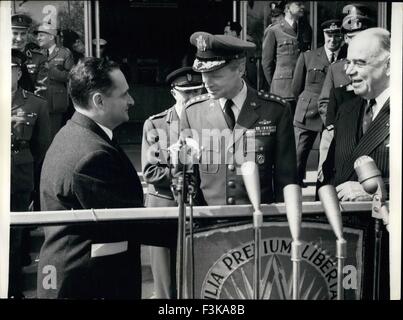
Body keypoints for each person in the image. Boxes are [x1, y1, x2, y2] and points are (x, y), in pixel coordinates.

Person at [37, 58, 144, 299]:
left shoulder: (75, 134)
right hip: (90, 284)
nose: (131, 101)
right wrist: (204, 230)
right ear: (99, 100)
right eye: (124, 94)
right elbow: (130, 220)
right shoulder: (91, 154)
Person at [180, 32, 297, 206]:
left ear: (240, 69)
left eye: (216, 76)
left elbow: (286, 178)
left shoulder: (275, 110)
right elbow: (187, 178)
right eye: (204, 75)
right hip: (209, 222)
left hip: (257, 219)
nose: (207, 83)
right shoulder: (192, 112)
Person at [142, 66, 204, 298]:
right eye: (186, 93)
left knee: (196, 278)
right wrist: (177, 164)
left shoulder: (207, 122)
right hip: (164, 206)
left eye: (197, 91)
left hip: (197, 206)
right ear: (173, 93)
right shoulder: (156, 125)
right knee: (165, 283)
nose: (192, 98)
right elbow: (150, 171)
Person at [316, 4, 375, 184]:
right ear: (346, 40)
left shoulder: (379, 67)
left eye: (359, 36)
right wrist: (334, 126)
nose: (354, 41)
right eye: (350, 37)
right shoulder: (336, 68)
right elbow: (325, 101)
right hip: (340, 136)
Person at [329, 28, 390, 200]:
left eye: (360, 63)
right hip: (344, 223)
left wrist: (377, 189)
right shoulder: (346, 110)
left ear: (389, 65)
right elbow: (330, 172)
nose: (348, 71)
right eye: (348, 62)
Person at [9, 49, 51, 298]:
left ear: (18, 72)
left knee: (15, 236)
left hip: (19, 176)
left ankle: (14, 288)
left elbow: (42, 146)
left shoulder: (36, 103)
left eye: (11, 69)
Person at [292, 19, 345, 186]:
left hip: (334, 114)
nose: (333, 39)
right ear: (324, 35)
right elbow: (295, 88)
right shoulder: (308, 57)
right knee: (299, 154)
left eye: (337, 35)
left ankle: (324, 188)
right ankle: (293, 186)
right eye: (329, 35)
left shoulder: (347, 58)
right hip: (308, 113)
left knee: (329, 155)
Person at [261, 1, 312, 114]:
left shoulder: (306, 29)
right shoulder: (274, 30)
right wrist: (275, 84)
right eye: (298, 4)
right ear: (287, 8)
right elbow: (266, 63)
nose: (302, 6)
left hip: (303, 90)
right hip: (282, 91)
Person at [34, 23, 74, 140]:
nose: (38, 38)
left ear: (51, 37)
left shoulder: (64, 53)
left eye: (41, 35)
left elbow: (72, 76)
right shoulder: (36, 54)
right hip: (38, 97)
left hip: (55, 100)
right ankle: (41, 158)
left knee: (53, 133)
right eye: (38, 36)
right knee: (40, 134)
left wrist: (50, 72)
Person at [11, 13, 47, 93]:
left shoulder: (39, 59)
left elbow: (42, 93)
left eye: (23, 34)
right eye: (15, 33)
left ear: (27, 34)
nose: (19, 38)